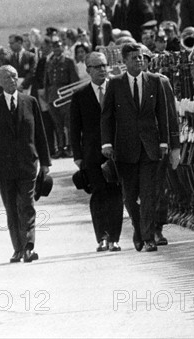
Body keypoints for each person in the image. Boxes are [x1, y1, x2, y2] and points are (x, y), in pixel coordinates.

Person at [101, 43, 169, 252]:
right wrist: (107, 143)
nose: (139, 61)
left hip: (149, 148)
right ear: (124, 62)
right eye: (134, 58)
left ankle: (148, 238)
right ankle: (139, 229)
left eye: (140, 57)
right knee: (129, 197)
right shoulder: (115, 84)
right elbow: (107, 116)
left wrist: (164, 142)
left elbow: (163, 113)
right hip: (125, 149)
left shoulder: (155, 82)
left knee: (148, 194)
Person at [0, 65, 51, 263]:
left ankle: (28, 246)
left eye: (15, 76)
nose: (12, 80)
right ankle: (18, 248)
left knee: (27, 205)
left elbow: (40, 134)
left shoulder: (30, 102)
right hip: (2, 167)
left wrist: (45, 162)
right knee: (11, 207)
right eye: (8, 77)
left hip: (27, 164)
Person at [70, 51, 123, 252]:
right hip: (92, 154)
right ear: (88, 70)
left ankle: (115, 238)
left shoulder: (117, 88)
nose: (102, 69)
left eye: (104, 65)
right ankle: (102, 236)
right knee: (99, 194)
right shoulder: (80, 95)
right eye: (97, 66)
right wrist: (78, 157)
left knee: (116, 195)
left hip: (116, 152)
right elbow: (75, 129)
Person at [139, 44, 180, 246]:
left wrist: (175, 146)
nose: (140, 62)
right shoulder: (121, 83)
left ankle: (156, 228)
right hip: (132, 146)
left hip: (157, 143)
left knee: (157, 188)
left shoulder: (160, 82)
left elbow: (170, 115)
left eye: (143, 58)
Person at [45, 37, 79, 158]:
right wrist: (47, 97)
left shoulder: (68, 62)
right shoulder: (49, 62)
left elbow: (74, 79)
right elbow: (46, 82)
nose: (56, 49)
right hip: (53, 96)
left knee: (68, 123)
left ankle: (70, 147)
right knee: (57, 124)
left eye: (58, 46)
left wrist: (72, 95)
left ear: (62, 47)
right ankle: (60, 147)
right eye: (54, 47)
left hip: (65, 95)